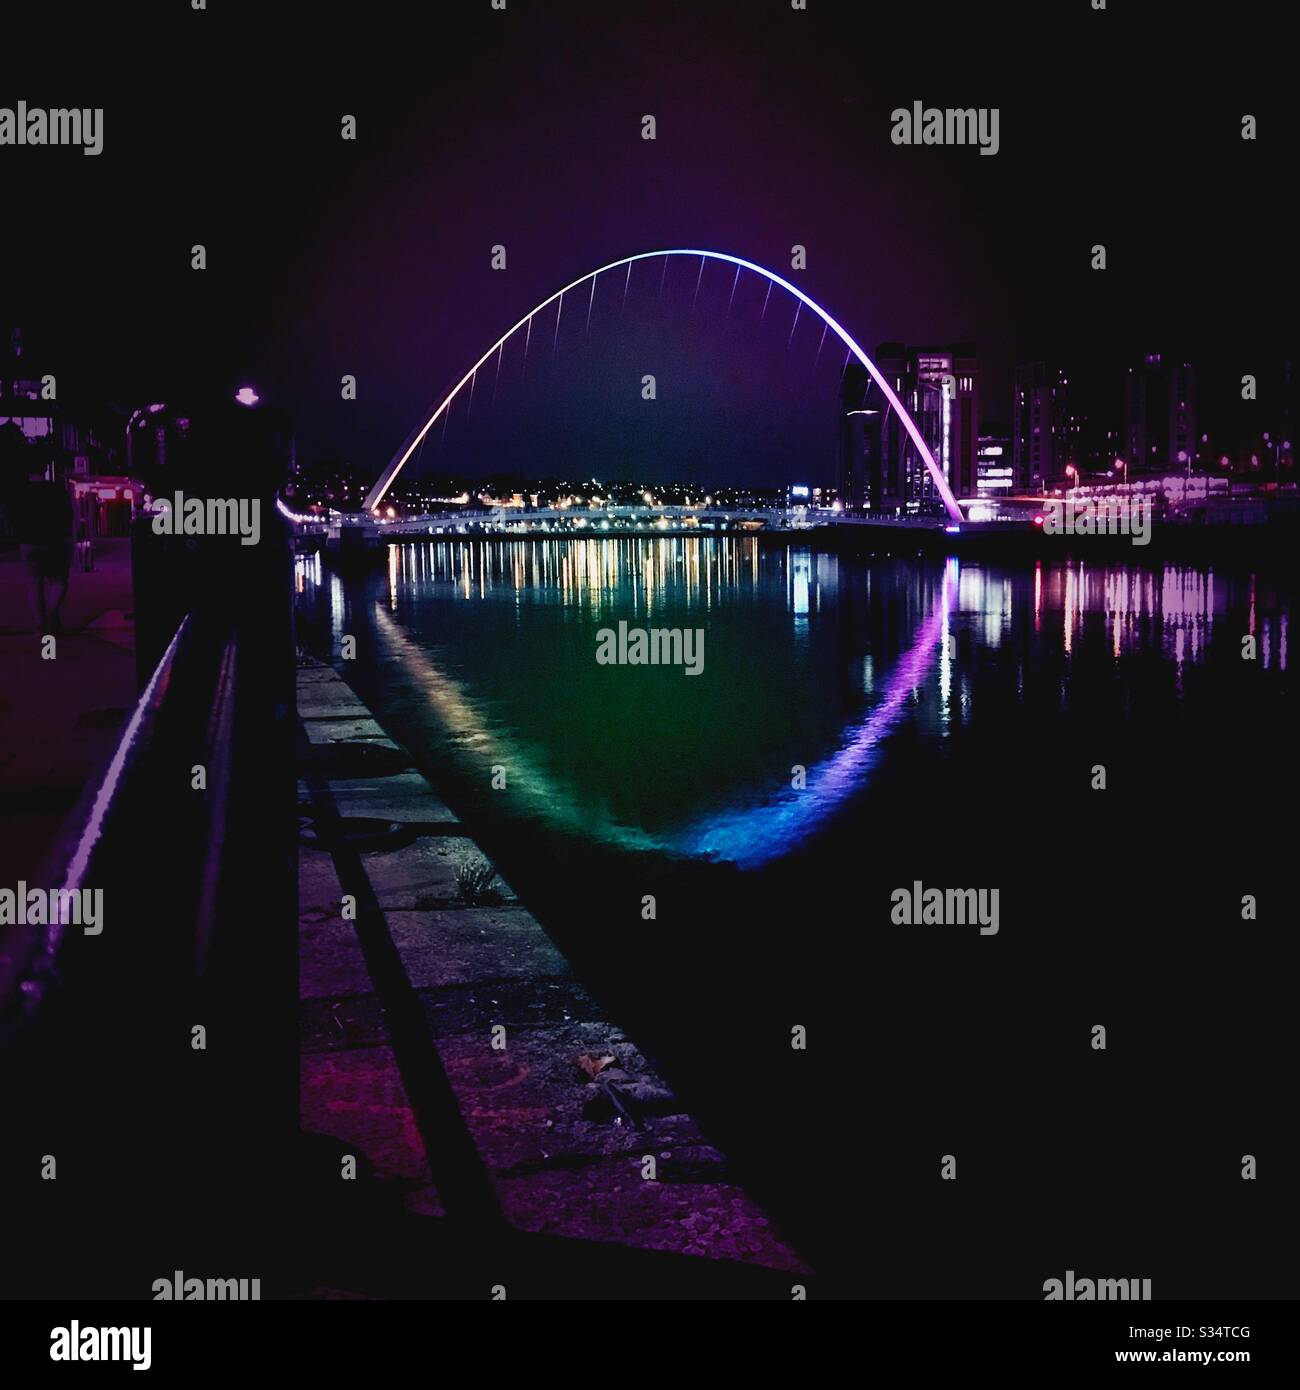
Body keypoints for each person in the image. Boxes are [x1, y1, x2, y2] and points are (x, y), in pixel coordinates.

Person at [19, 467, 75, 633]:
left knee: (33, 583)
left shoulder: (22, 492)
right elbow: (68, 514)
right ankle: (51, 616)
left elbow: (11, 515)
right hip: (54, 541)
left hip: (29, 541)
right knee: (59, 581)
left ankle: (40, 623)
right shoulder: (57, 490)